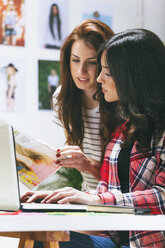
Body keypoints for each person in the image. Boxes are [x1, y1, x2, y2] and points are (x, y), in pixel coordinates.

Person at [22, 29, 165, 247]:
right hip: (117, 237)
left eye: (107, 71)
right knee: (44, 239)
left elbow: (161, 197)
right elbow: (105, 192)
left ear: (133, 76)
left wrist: (96, 199)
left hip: (146, 242)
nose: (98, 78)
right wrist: (57, 199)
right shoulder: (122, 132)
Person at [52, 19, 118, 192]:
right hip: (88, 198)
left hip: (119, 200)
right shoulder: (61, 98)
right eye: (75, 60)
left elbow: (125, 179)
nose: (81, 71)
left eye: (91, 62)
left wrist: (87, 164)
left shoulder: (121, 102)